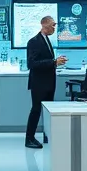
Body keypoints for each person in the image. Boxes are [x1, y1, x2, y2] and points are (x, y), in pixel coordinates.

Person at [25, 15, 66, 149]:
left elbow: (45, 59)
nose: (54, 27)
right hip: (39, 83)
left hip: (49, 82)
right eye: (53, 25)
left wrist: (55, 62)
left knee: (49, 111)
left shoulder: (46, 40)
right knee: (36, 110)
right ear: (44, 25)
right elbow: (32, 64)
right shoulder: (34, 42)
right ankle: (29, 138)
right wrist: (53, 62)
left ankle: (48, 136)